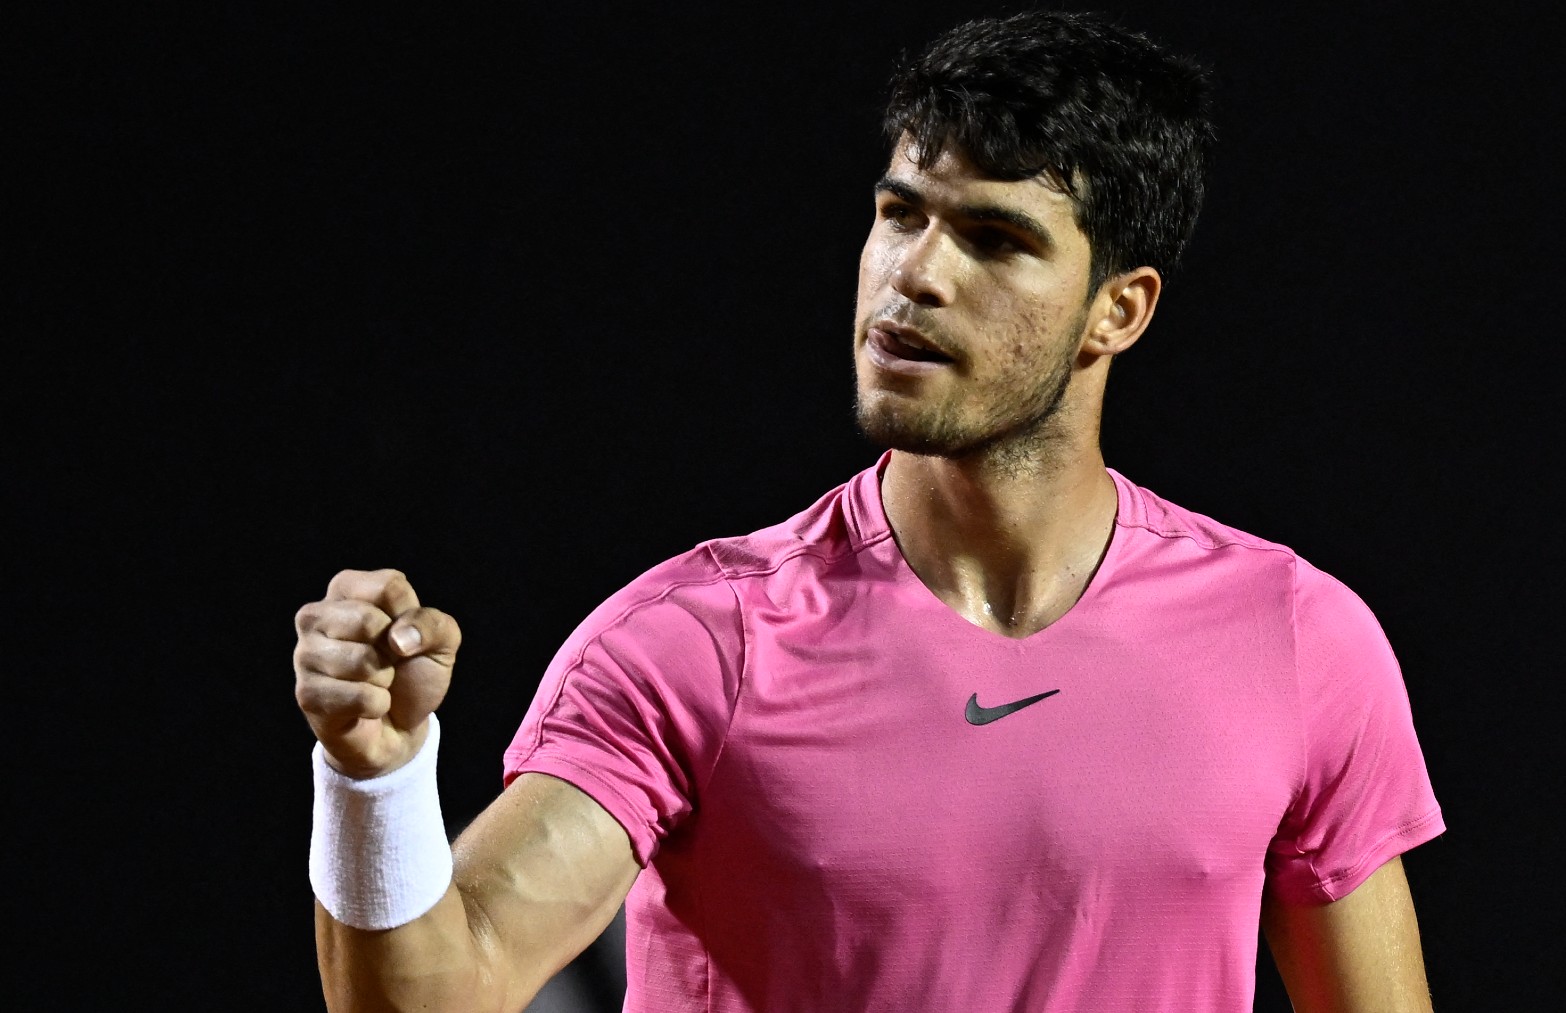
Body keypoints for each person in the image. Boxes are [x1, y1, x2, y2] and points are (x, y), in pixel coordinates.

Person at [293, 11, 1444, 1012]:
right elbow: (432, 994)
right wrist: (375, 782)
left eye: (995, 238)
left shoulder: (1293, 635)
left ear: (1118, 311)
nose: (917, 274)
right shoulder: (694, 640)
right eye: (902, 214)